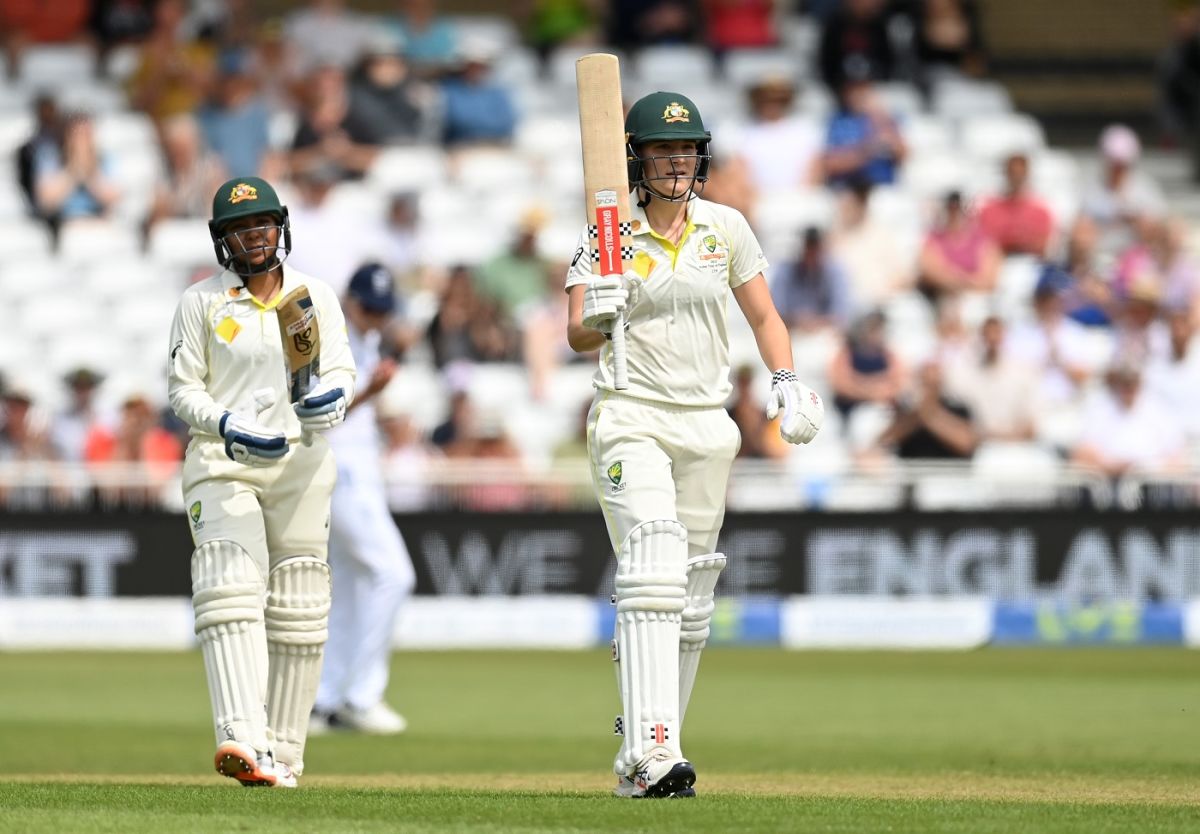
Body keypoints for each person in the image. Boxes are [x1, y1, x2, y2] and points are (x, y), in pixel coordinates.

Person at [564, 91, 823, 799]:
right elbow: (575, 334)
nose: (676, 163)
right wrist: (599, 310)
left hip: (708, 423)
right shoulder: (606, 234)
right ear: (638, 161)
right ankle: (650, 753)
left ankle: (653, 751)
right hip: (631, 413)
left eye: (685, 151)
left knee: (691, 590)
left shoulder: (725, 228)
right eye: (662, 152)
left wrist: (787, 379)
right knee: (652, 561)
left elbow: (764, 313)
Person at [167, 176, 356, 788]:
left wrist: (329, 402)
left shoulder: (313, 295)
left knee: (301, 605)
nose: (254, 237)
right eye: (240, 229)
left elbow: (341, 373)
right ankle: (242, 738)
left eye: (263, 225)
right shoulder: (202, 302)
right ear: (223, 240)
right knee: (229, 586)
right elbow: (182, 390)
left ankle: (284, 755)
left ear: (281, 228)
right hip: (223, 462)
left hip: (300, 465)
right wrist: (227, 423)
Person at [311, 263, 416, 736]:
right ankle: (360, 696)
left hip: (358, 468)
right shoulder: (330, 336)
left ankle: (323, 700)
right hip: (339, 470)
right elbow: (319, 411)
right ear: (350, 300)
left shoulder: (367, 337)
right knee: (394, 574)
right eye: (368, 308)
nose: (375, 317)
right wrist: (371, 392)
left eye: (381, 310)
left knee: (352, 587)